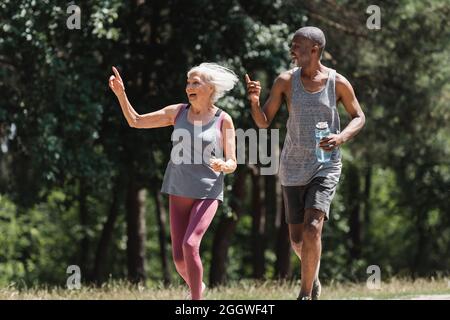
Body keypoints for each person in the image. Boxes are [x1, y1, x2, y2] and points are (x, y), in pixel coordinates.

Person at [245, 26, 365, 300]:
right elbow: (263, 122)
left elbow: (359, 116)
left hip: (326, 163)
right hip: (292, 166)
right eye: (292, 45)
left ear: (315, 50)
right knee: (298, 241)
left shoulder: (338, 83)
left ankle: (305, 293)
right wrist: (253, 102)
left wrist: (341, 136)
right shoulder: (285, 81)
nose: (292, 50)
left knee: (313, 228)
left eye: (298, 46)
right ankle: (314, 274)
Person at [109, 63, 238, 300]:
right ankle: (198, 289)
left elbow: (233, 161)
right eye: (188, 82)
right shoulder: (177, 112)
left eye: (195, 82)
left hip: (207, 191)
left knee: (191, 245)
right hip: (178, 189)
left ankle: (196, 302)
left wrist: (224, 165)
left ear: (210, 88)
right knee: (179, 260)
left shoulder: (223, 120)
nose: (189, 86)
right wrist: (121, 94)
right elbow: (136, 121)